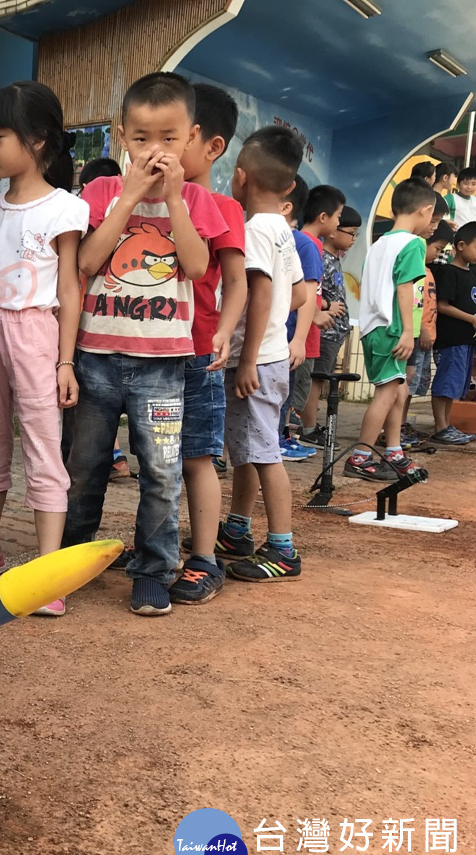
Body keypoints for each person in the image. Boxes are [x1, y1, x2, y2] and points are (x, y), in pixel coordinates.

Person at [63, 72, 227, 616]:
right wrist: (129, 196)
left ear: (191, 137)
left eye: (168, 138)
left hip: (163, 365)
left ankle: (154, 568)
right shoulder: (102, 192)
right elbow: (87, 262)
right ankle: (72, 558)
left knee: (160, 470)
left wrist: (174, 200)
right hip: (98, 358)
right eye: (140, 138)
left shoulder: (199, 199)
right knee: (84, 464)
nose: (154, 151)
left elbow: (199, 267)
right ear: (120, 137)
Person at [0, 81, 85, 615]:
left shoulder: (65, 209)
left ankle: (47, 569)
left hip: (37, 335)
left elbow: (71, 289)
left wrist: (65, 361)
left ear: (36, 142)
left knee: (43, 447)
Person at [167, 83, 247, 605]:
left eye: (174, 137)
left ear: (209, 145)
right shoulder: (141, 200)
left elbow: (236, 282)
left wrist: (223, 331)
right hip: (148, 350)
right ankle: (156, 545)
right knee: (158, 457)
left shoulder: (222, 208)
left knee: (197, 455)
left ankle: (203, 558)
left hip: (197, 349)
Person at [217, 125, 306, 583]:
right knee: (249, 448)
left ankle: (283, 548)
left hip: (254, 362)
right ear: (290, 186)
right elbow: (298, 296)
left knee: (264, 452)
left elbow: (261, 292)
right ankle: (237, 529)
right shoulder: (282, 229)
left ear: (239, 178)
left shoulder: (252, 231)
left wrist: (247, 357)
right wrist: (269, 339)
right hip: (270, 358)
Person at [346, 177, 435, 481]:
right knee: (386, 393)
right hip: (392, 327)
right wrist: (408, 330)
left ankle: (394, 452)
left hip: (373, 328)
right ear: (424, 210)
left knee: (398, 389)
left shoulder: (380, 242)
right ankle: (360, 456)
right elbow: (404, 287)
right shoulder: (413, 243)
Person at [67, 156, 131, 480]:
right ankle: (116, 457)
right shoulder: (103, 194)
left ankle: (117, 457)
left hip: (151, 347)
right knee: (85, 456)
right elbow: (88, 262)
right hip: (92, 339)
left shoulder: (183, 198)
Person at [286, 183, 347, 453]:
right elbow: (305, 292)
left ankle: (284, 435)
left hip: (303, 336)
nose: (338, 223)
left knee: (293, 391)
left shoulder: (306, 243)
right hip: (299, 336)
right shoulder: (309, 246)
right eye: (338, 217)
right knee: (290, 393)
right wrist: (317, 315)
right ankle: (282, 437)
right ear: (323, 217)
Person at [300, 204, 361, 446]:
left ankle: (309, 425)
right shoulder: (321, 257)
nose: (354, 239)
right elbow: (311, 292)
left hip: (334, 331)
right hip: (322, 330)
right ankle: (308, 427)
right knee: (316, 379)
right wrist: (326, 306)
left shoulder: (334, 259)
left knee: (320, 378)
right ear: (334, 231)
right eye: (351, 232)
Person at [274, 176, 318, 462]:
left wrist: (299, 339)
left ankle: (279, 439)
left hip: (285, 336)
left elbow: (309, 293)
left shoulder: (302, 244)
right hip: (264, 337)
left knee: (283, 393)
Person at [401, 219, 449, 445]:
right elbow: (416, 303)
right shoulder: (416, 269)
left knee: (413, 385)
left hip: (426, 336)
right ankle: (396, 425)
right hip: (417, 335)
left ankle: (401, 424)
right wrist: (421, 330)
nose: (437, 254)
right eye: (437, 249)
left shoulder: (428, 270)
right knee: (406, 383)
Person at [429, 221, 476, 444]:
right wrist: (471, 319)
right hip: (451, 339)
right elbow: (442, 305)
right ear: (461, 245)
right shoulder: (449, 272)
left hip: (467, 340)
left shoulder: (472, 273)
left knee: (457, 385)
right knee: (446, 383)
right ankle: (441, 426)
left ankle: (447, 425)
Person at [451, 166, 476, 231]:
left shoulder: (475, 200)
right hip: (455, 235)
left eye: (473, 184)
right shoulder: (451, 198)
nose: (469, 187)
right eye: (465, 183)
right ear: (458, 184)